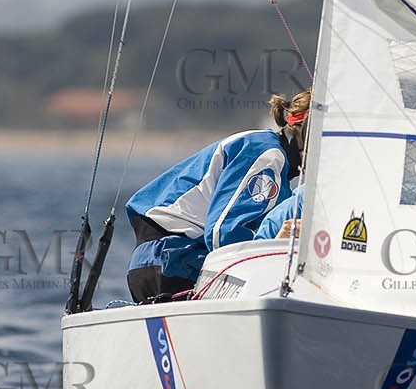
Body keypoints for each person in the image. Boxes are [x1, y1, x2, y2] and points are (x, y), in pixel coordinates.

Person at [126, 89, 310, 302]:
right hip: (175, 261)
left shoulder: (271, 160)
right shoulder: (269, 155)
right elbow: (223, 234)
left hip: (156, 261)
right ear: (304, 130)